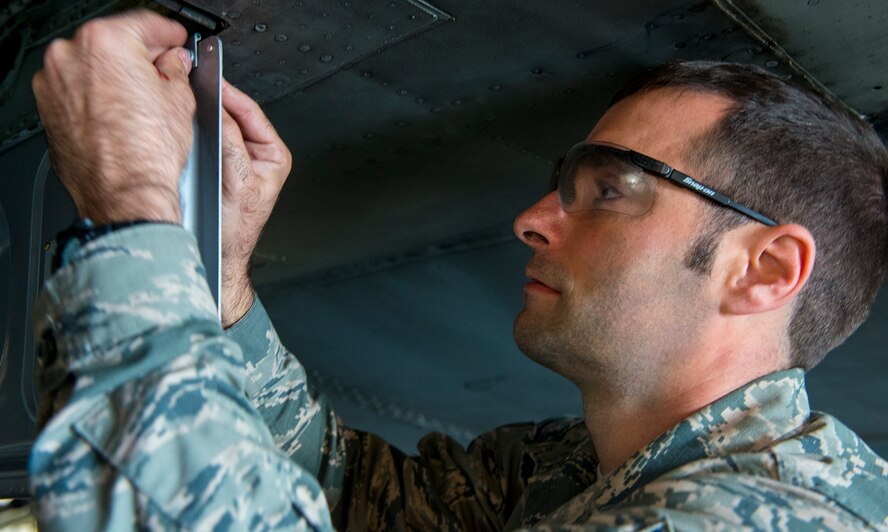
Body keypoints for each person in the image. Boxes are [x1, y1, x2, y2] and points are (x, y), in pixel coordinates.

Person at [29, 8, 888, 532]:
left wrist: (132, 203)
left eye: (610, 191)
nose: (531, 220)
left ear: (766, 269)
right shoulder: (585, 470)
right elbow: (351, 501)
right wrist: (210, 278)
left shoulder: (759, 520)